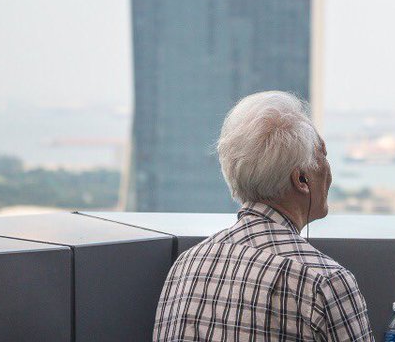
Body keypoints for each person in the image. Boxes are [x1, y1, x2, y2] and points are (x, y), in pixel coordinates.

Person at [154, 91, 373, 342]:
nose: (329, 171)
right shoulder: (324, 281)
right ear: (301, 179)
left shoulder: (186, 267)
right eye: (323, 156)